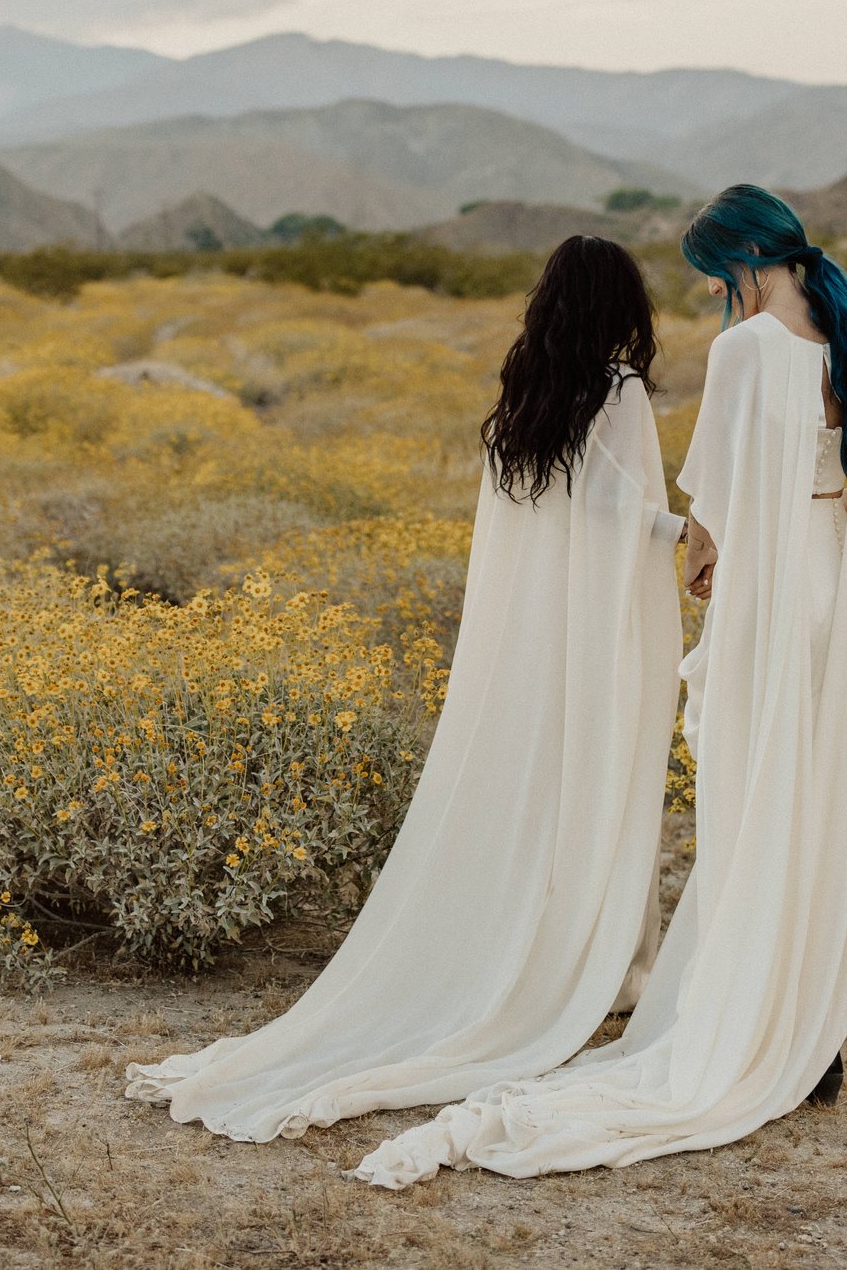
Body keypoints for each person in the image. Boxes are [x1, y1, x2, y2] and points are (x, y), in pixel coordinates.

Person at [354, 184, 847, 1189]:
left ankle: (754, 1020)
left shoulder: (747, 347)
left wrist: (701, 558)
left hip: (771, 590)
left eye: (719, 278)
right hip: (839, 583)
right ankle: (811, 1033)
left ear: (745, 262)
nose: (721, 295)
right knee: (812, 805)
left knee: (747, 803)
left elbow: (709, 507)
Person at [126, 235, 685, 1142]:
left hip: (530, 648)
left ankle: (537, 950)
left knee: (535, 797)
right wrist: (687, 534)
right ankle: (611, 967)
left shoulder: (523, 400)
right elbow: (620, 515)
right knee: (602, 785)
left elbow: (538, 530)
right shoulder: (618, 392)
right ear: (620, 304)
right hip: (592, 642)